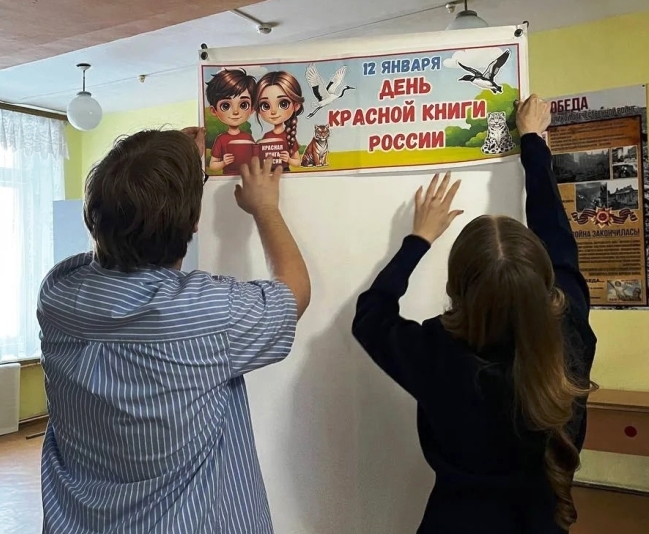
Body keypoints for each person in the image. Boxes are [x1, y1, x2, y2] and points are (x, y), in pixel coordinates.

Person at [37, 127, 310, 533]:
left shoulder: (57, 293)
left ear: (94, 216)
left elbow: (113, 239)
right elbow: (294, 291)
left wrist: (158, 164)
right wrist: (265, 208)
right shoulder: (207, 313)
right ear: (194, 222)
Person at [352, 95, 597, 534]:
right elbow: (556, 232)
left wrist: (418, 239)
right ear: (545, 279)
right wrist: (531, 141)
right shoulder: (570, 331)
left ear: (455, 289)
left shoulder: (437, 354)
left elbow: (371, 314)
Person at [206, 68, 257, 175]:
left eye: (243, 105)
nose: (235, 111)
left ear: (252, 109)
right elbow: (213, 165)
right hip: (227, 180)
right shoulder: (221, 139)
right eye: (226, 105)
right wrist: (223, 163)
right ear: (214, 111)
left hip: (247, 178)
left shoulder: (248, 138)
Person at [253, 71, 305, 172]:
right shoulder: (267, 137)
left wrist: (288, 159)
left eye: (283, 104)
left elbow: (298, 162)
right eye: (265, 105)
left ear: (296, 106)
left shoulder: (289, 137)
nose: (273, 111)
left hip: (285, 173)